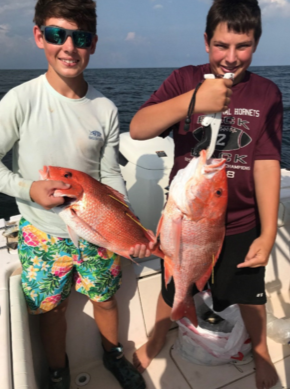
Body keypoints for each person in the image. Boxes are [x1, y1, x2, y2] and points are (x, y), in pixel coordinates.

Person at [129, 1, 283, 388]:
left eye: (243, 46)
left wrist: (266, 235)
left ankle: (260, 349)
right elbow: (138, 128)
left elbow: (266, 164)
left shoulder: (267, 93)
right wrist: (193, 101)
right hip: (185, 223)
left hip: (242, 221)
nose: (231, 58)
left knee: (249, 292)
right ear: (205, 42)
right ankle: (157, 336)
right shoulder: (183, 80)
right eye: (221, 46)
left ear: (257, 43)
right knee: (172, 284)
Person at [0, 1, 153, 388]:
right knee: (52, 310)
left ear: (93, 43)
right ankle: (56, 370)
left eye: (80, 37)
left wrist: (129, 227)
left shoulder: (105, 108)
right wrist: (28, 189)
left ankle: (113, 355)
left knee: (105, 299)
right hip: (42, 236)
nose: (69, 46)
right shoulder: (20, 100)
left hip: (97, 233)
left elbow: (109, 175)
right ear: (39, 36)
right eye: (57, 34)